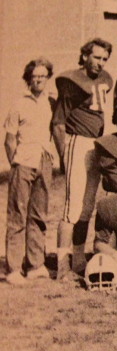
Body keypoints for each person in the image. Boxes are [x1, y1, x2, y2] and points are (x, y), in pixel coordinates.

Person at [53, 38, 113, 280]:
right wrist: (63, 157)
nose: (100, 63)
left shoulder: (105, 79)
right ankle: (61, 265)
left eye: (104, 59)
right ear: (86, 55)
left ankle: (78, 258)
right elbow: (57, 124)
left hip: (95, 145)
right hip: (77, 142)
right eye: (97, 57)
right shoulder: (71, 81)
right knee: (73, 207)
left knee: (87, 206)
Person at [5, 59, 57, 284]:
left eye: (43, 76)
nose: (39, 80)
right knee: (18, 215)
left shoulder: (51, 102)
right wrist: (16, 163)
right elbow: (9, 140)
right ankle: (14, 269)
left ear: (47, 78)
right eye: (35, 76)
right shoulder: (19, 104)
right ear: (29, 78)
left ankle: (36, 264)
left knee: (39, 215)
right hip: (23, 162)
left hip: (44, 162)